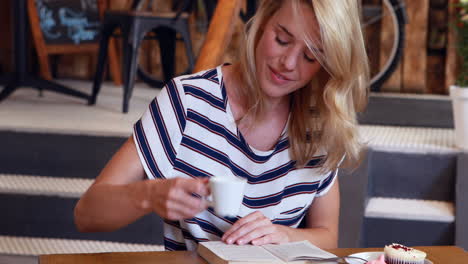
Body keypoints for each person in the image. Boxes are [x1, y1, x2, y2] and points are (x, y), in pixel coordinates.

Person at [74, 0, 369, 251]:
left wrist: (284, 235)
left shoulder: (319, 119)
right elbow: (87, 213)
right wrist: (149, 195)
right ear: (262, 23)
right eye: (281, 39)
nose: (289, 63)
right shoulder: (189, 101)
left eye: (310, 56)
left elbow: (328, 236)